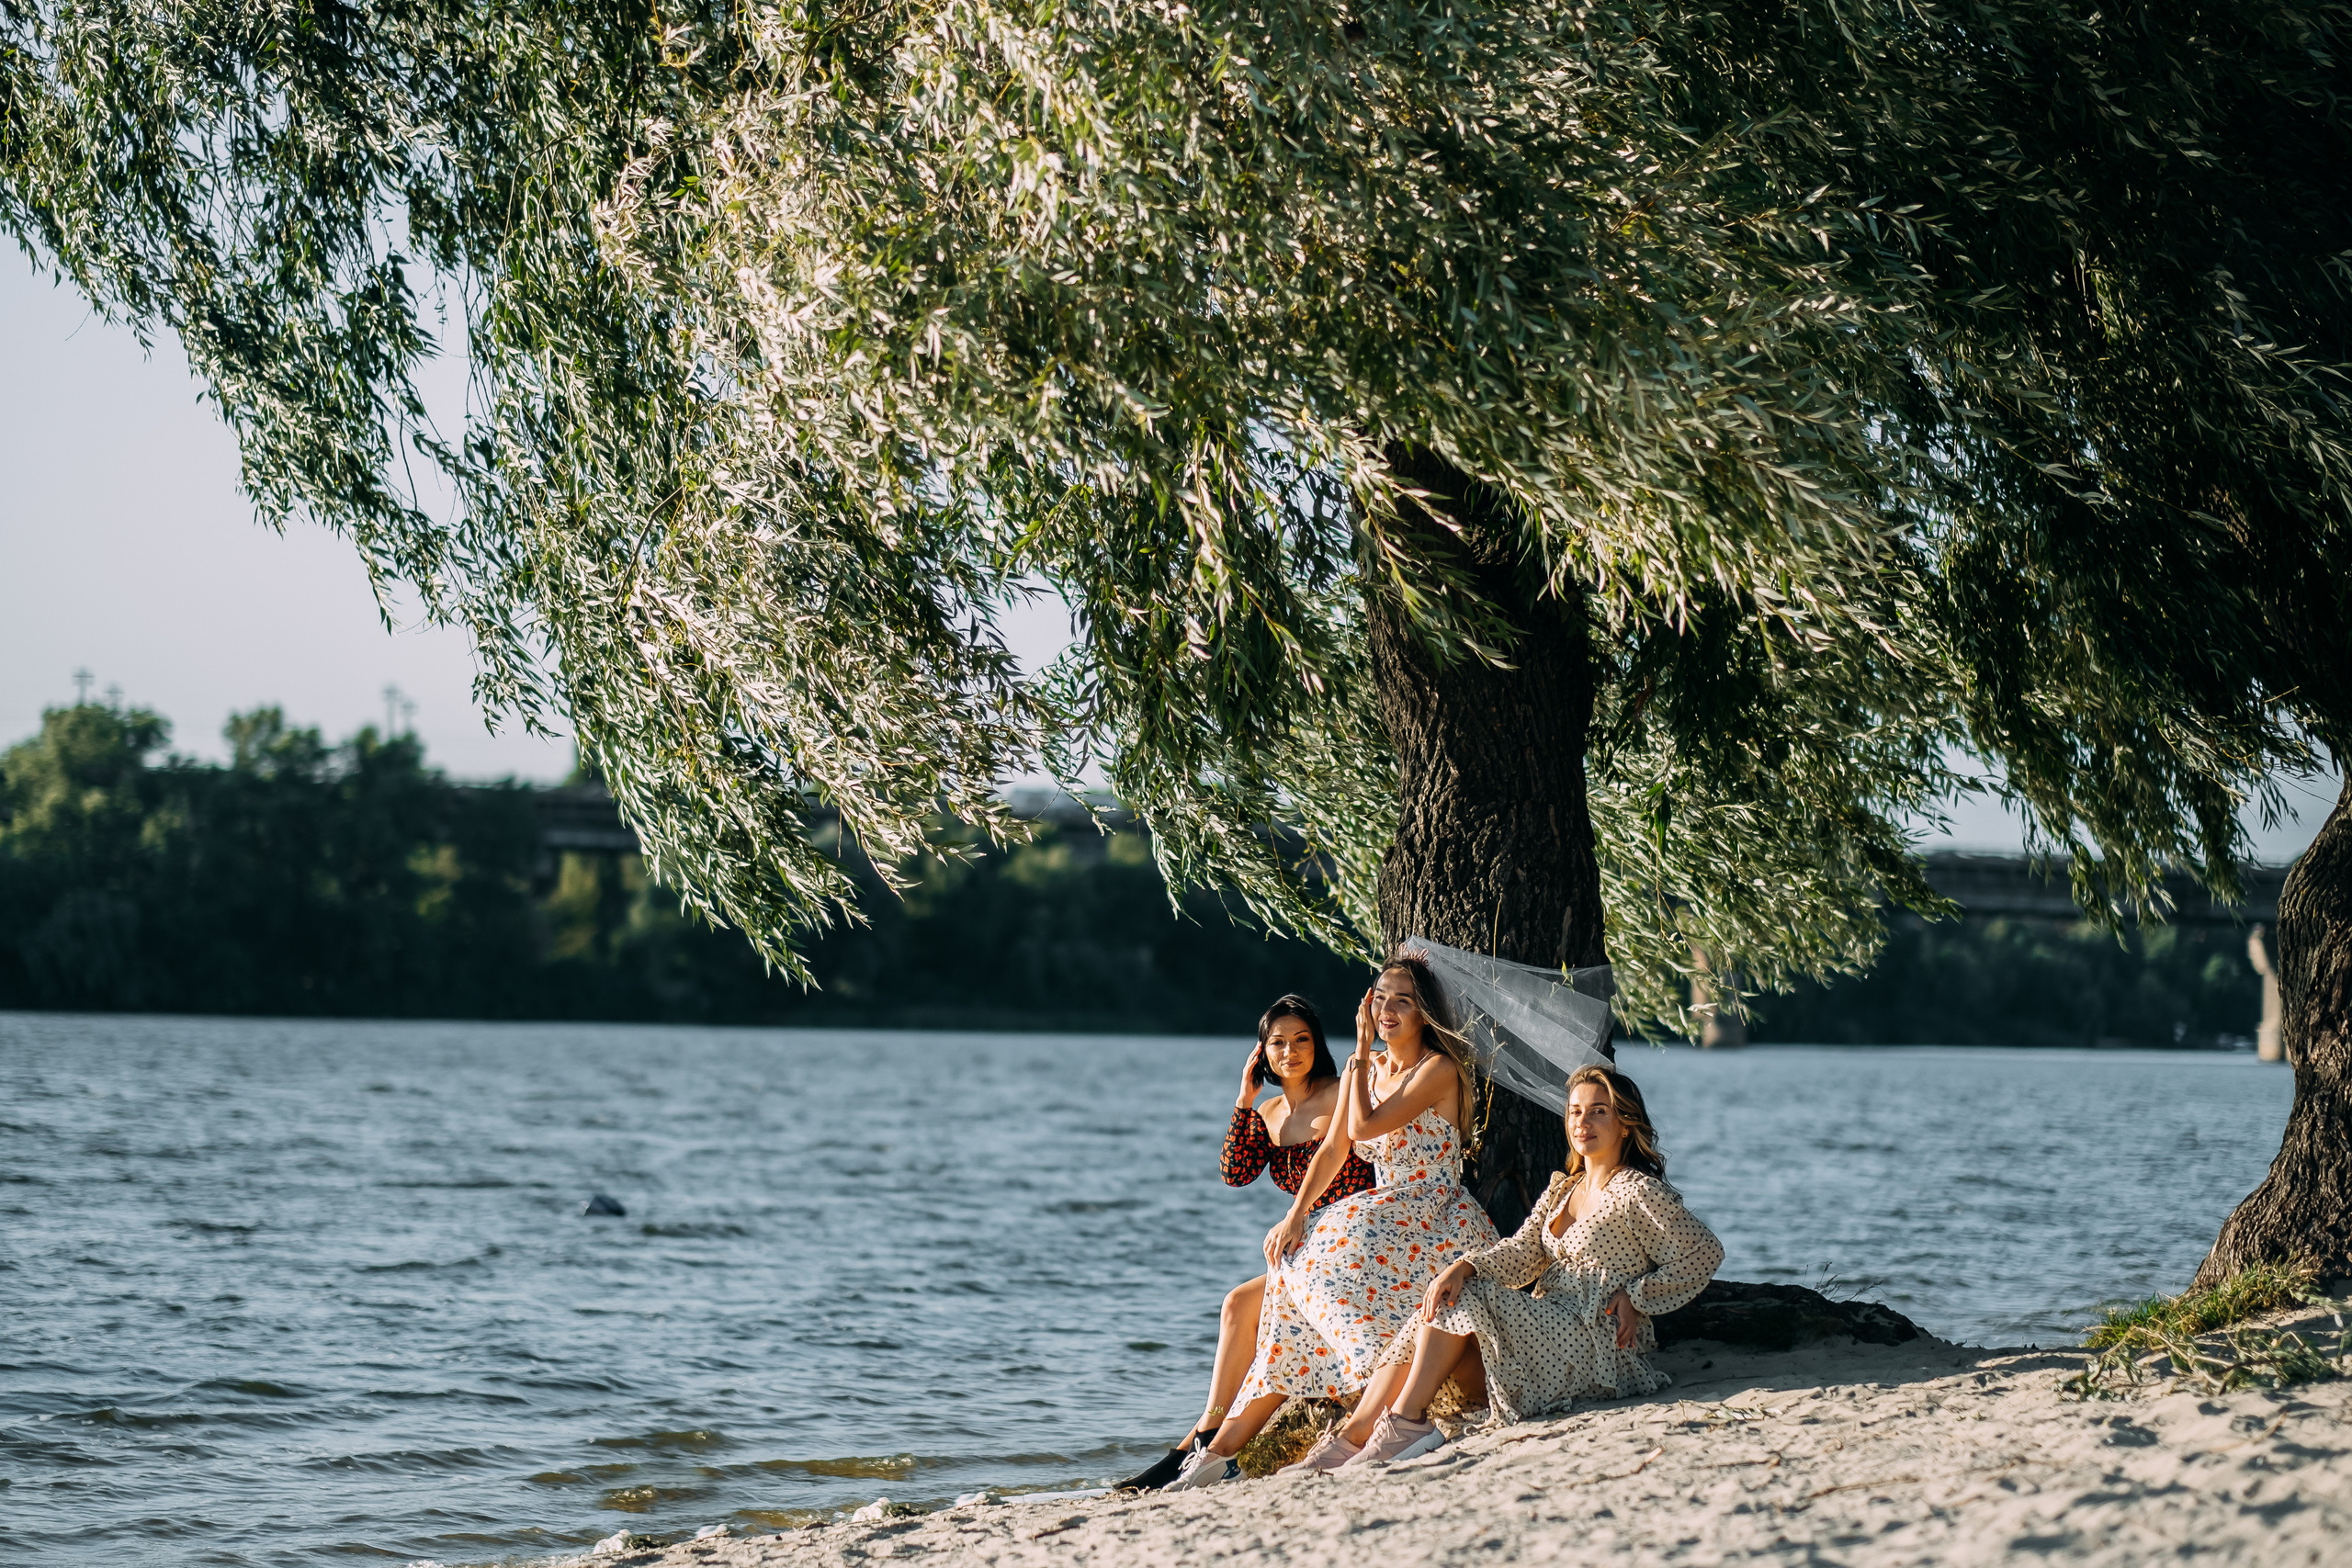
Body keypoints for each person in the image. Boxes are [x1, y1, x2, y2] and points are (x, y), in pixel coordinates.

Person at [1164, 953, 1499, 1489]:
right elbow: (1334, 1150)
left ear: (1425, 1014)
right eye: (1381, 996)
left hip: (1437, 1213)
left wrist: (1363, 1048)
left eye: (1403, 1001)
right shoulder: (1364, 1072)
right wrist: (1295, 1215)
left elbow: (1363, 1127)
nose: (1387, 1009)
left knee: (1317, 1262)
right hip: (1391, 1210)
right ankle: (1221, 1446)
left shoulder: (1436, 1069)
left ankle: (1361, 1380)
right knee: (1288, 1263)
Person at [1318, 1063, 1724, 1469]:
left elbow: (1704, 1253)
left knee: (1464, 1300)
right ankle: (1356, 1434)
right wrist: (1465, 1266)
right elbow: (1522, 1254)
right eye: (1575, 1111)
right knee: (1446, 1295)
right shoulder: (1563, 1188)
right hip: (1547, 1324)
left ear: (1624, 1124)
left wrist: (1637, 1298)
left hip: (1597, 1339)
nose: (1584, 1122)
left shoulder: (1637, 1191)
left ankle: (1406, 1424)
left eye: (1599, 1111)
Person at [1113, 995, 1376, 1492]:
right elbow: (1235, 1173)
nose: (1291, 1051)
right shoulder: (1270, 1112)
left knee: (1243, 1304)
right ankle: (1200, 1438)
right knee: (1237, 1305)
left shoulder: (1340, 1092)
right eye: (1277, 1043)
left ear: (1317, 1044)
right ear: (1262, 1053)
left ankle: (1199, 1445)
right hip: (1304, 1246)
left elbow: (1347, 1158)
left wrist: (1296, 1217)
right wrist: (1244, 1099)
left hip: (1352, 1235)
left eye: (1302, 1040)